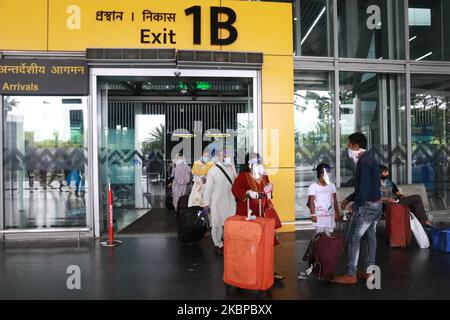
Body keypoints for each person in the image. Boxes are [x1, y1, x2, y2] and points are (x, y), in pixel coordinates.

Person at [335, 132, 382, 284]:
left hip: (366, 207)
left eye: (349, 145)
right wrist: (349, 199)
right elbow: (366, 186)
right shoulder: (371, 159)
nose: (348, 148)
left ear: (355, 146)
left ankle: (351, 274)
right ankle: (369, 272)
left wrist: (355, 205)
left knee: (353, 239)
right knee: (370, 238)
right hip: (376, 205)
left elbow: (365, 188)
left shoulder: (363, 163)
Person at [232, 152, 284, 281]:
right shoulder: (243, 176)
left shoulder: (264, 175)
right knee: (248, 244)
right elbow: (235, 189)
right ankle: (247, 271)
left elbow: (268, 193)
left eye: (259, 161)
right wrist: (247, 193)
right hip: (248, 215)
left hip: (264, 214)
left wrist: (270, 190)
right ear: (249, 164)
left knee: (265, 244)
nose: (259, 164)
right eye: (256, 161)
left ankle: (267, 271)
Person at [298, 163, 340, 280]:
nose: (329, 176)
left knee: (328, 241)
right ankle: (316, 263)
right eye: (328, 173)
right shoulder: (313, 187)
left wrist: (337, 212)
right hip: (319, 218)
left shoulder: (331, 186)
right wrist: (313, 214)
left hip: (329, 217)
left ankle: (325, 265)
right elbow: (311, 201)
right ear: (321, 174)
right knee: (319, 240)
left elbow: (334, 200)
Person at [203, 150, 237, 255]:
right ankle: (218, 244)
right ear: (218, 157)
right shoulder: (212, 171)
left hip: (230, 200)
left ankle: (228, 242)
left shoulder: (231, 169)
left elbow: (236, 181)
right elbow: (208, 188)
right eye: (222, 155)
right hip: (217, 202)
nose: (225, 156)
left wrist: (233, 166)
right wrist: (206, 203)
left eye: (226, 155)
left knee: (229, 222)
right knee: (217, 223)